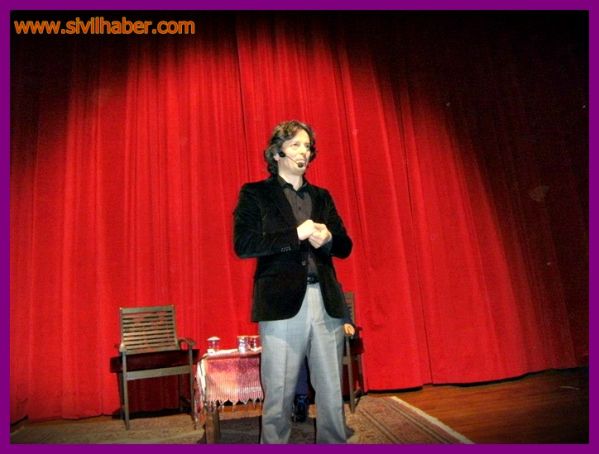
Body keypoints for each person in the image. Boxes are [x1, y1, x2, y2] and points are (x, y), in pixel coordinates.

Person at [233, 120, 353, 443]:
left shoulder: (322, 196)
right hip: (281, 304)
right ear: (277, 152)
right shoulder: (255, 194)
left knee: (331, 392)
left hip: (325, 303)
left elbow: (345, 246)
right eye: (296, 145)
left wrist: (329, 238)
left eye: (308, 147)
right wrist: (295, 235)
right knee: (279, 394)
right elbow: (244, 244)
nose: (304, 152)